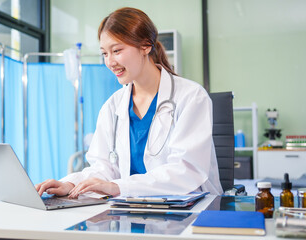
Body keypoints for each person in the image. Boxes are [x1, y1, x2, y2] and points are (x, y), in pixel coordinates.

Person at [35, 7, 223, 198]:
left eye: (116, 50)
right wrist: (71, 184)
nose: (110, 62)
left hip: (188, 211)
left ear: (146, 46)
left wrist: (118, 187)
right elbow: (104, 167)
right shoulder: (113, 106)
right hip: (132, 210)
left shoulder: (191, 97)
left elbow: (186, 171)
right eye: (105, 54)